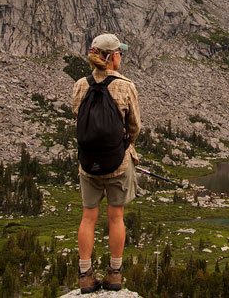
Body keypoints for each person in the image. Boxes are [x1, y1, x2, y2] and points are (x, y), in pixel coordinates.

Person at [71, 33, 141, 293]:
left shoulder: (80, 85)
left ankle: (85, 275)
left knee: (88, 217)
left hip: (88, 164)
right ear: (111, 58)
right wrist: (125, 144)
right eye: (119, 53)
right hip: (118, 164)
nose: (121, 56)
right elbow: (134, 126)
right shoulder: (126, 86)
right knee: (116, 216)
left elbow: (77, 116)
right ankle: (114, 274)